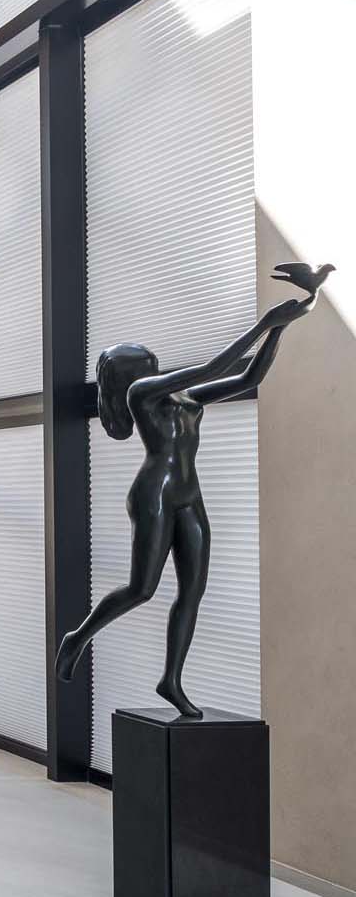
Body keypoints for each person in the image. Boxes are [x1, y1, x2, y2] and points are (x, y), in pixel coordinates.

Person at [55, 261, 327, 716]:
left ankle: (171, 680)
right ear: (131, 374)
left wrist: (289, 320)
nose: (151, 362)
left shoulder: (184, 398)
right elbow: (212, 366)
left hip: (188, 495)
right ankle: (77, 637)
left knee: (192, 590)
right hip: (154, 495)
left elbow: (247, 378)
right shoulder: (141, 393)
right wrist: (265, 322)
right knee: (142, 589)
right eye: (143, 362)